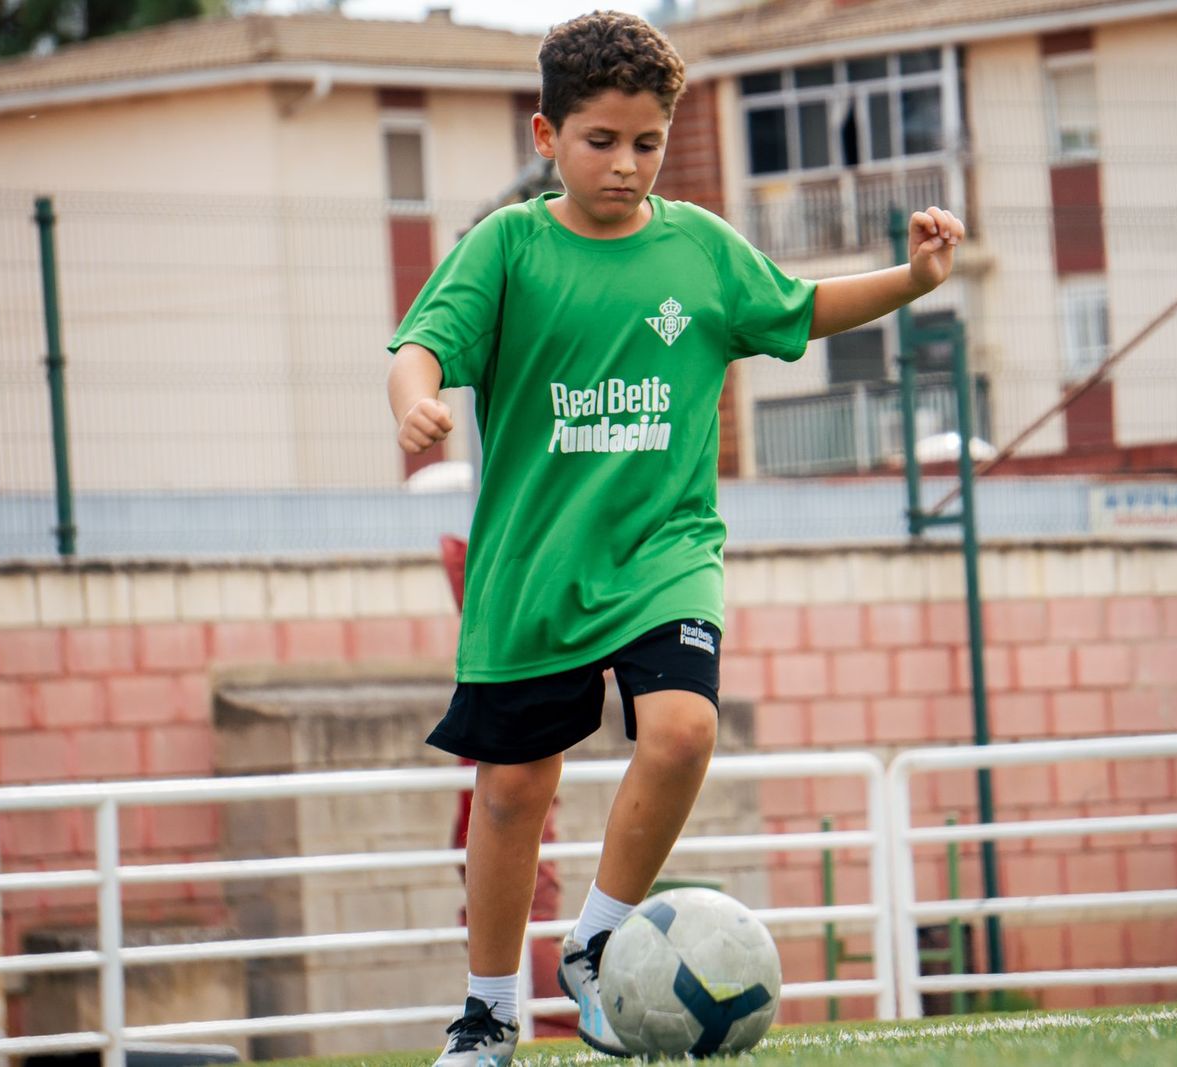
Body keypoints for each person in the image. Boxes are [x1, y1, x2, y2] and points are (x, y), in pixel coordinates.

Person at [388, 12, 964, 1066]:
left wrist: (913, 282)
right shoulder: (507, 248)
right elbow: (421, 344)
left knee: (683, 730)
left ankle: (596, 941)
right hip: (535, 564)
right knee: (513, 789)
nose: (625, 163)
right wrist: (415, 401)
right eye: (600, 140)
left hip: (666, 549)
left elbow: (798, 305)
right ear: (545, 136)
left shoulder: (697, 246)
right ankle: (484, 1014)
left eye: (646, 142)